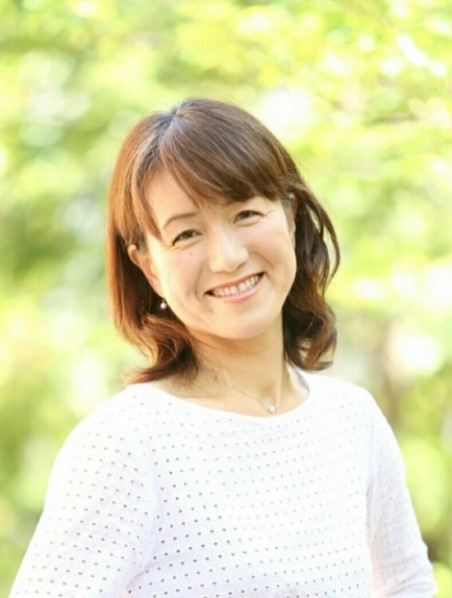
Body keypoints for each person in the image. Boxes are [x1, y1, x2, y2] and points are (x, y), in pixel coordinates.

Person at [11, 98, 436, 597]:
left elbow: (407, 585)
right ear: (148, 266)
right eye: (186, 234)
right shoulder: (127, 445)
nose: (228, 257)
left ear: (290, 215)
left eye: (245, 213)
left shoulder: (352, 419)